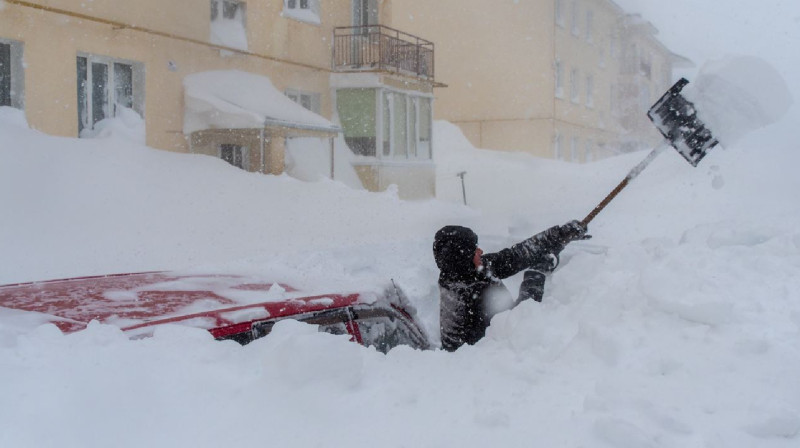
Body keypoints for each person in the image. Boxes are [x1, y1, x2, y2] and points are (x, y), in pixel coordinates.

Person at [432, 220, 589, 352]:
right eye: (474, 250)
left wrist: (559, 235)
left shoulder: (464, 271)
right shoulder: (469, 294)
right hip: (489, 363)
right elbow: (517, 322)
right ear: (463, 257)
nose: (480, 251)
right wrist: (536, 274)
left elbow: (516, 256)